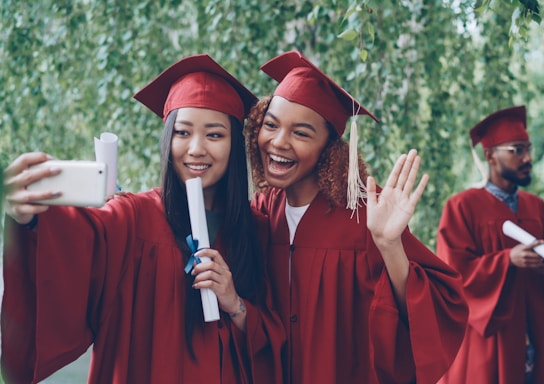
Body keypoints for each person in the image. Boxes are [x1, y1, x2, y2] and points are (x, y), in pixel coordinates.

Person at [1, 54, 284, 383]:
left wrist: (235, 304)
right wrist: (33, 220)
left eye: (214, 135)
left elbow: (276, 346)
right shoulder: (134, 217)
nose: (196, 148)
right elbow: (80, 238)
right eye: (182, 132)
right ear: (167, 141)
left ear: (234, 144)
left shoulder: (258, 230)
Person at [243, 50, 469, 384]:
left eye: (301, 133)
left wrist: (389, 245)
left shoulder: (365, 216)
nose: (278, 142)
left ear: (329, 148)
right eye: (271, 125)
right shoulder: (262, 211)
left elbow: (430, 317)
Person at [435, 105, 544, 383]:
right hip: (489, 340)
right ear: (490, 155)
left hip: (534, 334)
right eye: (517, 150)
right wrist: (507, 260)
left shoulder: (535, 206)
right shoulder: (462, 206)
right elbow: (453, 275)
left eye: (528, 148)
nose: (528, 157)